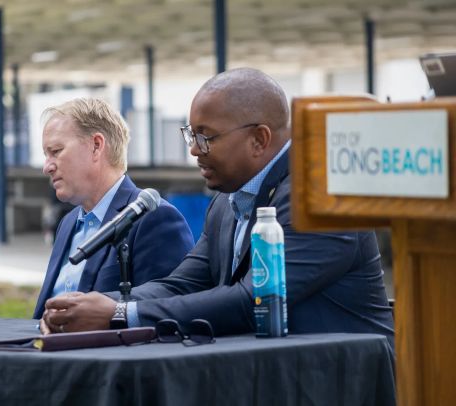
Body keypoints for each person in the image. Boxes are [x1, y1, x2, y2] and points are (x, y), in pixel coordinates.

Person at [41, 68, 394, 346]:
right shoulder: (225, 202)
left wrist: (119, 313)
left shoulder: (320, 197)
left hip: (342, 382)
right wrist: (89, 307)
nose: (194, 150)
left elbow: (253, 299)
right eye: (190, 135)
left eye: (206, 137)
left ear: (259, 139)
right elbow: (182, 284)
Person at [34, 97, 194, 319]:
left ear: (96, 146)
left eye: (56, 151)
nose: (47, 167)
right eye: (46, 155)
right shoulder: (68, 222)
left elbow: (168, 309)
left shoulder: (154, 218)